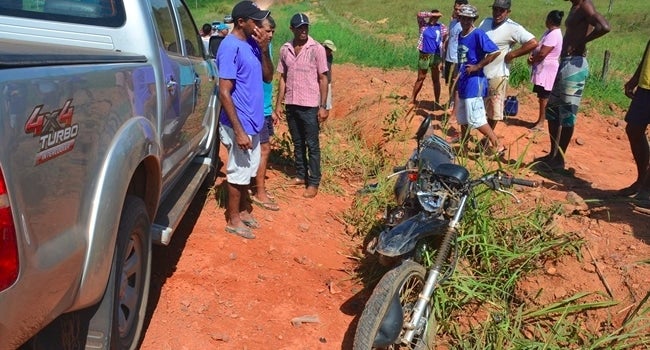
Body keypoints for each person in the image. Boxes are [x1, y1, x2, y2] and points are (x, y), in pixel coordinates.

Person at [217, 1, 273, 239]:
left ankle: (243, 209)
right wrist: (238, 131)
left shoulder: (252, 44)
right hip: (238, 122)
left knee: (248, 169)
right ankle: (233, 219)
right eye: (255, 20)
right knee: (238, 170)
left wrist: (263, 50)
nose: (259, 25)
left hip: (254, 122)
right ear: (241, 22)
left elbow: (268, 77)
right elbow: (224, 92)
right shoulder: (229, 47)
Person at [534, 0, 610, 170]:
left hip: (575, 64)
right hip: (566, 62)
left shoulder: (585, 5)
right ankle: (553, 155)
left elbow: (604, 27)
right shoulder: (575, 6)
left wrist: (580, 42)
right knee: (553, 111)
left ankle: (559, 159)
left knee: (567, 114)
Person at [273, 13, 329, 198]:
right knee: (298, 143)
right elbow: (282, 78)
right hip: (291, 103)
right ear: (292, 29)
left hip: (310, 105)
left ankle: (314, 182)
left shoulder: (317, 49)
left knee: (312, 144)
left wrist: (323, 106)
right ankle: (300, 175)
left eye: (306, 27)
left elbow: (323, 78)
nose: (303, 30)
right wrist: (278, 105)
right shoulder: (285, 49)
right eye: (300, 27)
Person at [478, 0, 537, 132]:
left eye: (501, 10)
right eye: (495, 9)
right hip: (480, 72)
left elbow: (533, 42)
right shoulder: (485, 22)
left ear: (508, 12)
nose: (497, 13)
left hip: (497, 74)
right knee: (478, 107)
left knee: (494, 110)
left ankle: (488, 140)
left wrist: (513, 54)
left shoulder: (513, 27)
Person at [455, 4, 503, 155]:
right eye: (463, 18)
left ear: (474, 19)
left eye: (469, 19)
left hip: (474, 82)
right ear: (459, 18)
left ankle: (497, 144)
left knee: (476, 118)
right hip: (463, 80)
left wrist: (478, 66)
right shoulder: (460, 35)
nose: (465, 21)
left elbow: (495, 51)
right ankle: (463, 149)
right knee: (463, 118)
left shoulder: (478, 34)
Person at [250, 15, 280, 211]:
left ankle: (254, 187)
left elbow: (270, 78)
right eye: (268, 31)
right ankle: (259, 191)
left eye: (272, 32)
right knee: (264, 148)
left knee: (262, 148)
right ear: (257, 29)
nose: (270, 35)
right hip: (257, 108)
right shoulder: (253, 47)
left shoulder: (266, 47)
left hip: (265, 107)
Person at [618, 39, 650, 200]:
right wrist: (636, 78)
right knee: (634, 130)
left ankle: (647, 190)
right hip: (646, 87)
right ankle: (642, 180)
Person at [528, 10, 564, 131]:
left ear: (549, 20)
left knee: (544, 96)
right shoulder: (550, 32)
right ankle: (540, 120)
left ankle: (541, 122)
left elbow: (543, 53)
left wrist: (533, 60)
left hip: (547, 69)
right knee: (542, 96)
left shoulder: (554, 34)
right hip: (542, 68)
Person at [411, 9, 447, 107]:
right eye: (432, 16)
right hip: (424, 54)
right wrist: (432, 14)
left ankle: (437, 101)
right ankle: (412, 99)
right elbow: (419, 14)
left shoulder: (441, 27)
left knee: (435, 79)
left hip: (435, 55)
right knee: (421, 77)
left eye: (436, 17)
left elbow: (445, 40)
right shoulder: (423, 25)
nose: (434, 19)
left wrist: (443, 58)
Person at [443, 0, 468, 117]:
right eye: (456, 9)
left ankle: (455, 111)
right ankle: (452, 102)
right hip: (449, 58)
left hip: (457, 60)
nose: (457, 11)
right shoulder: (453, 22)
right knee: (450, 83)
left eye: (460, 9)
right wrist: (443, 59)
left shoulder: (466, 25)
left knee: (456, 84)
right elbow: (449, 39)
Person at [322, 39, 337, 111]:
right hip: (319, 82)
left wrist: (330, 80)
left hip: (327, 82)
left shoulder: (330, 56)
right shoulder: (318, 56)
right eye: (329, 50)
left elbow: (329, 68)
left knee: (327, 104)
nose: (330, 52)